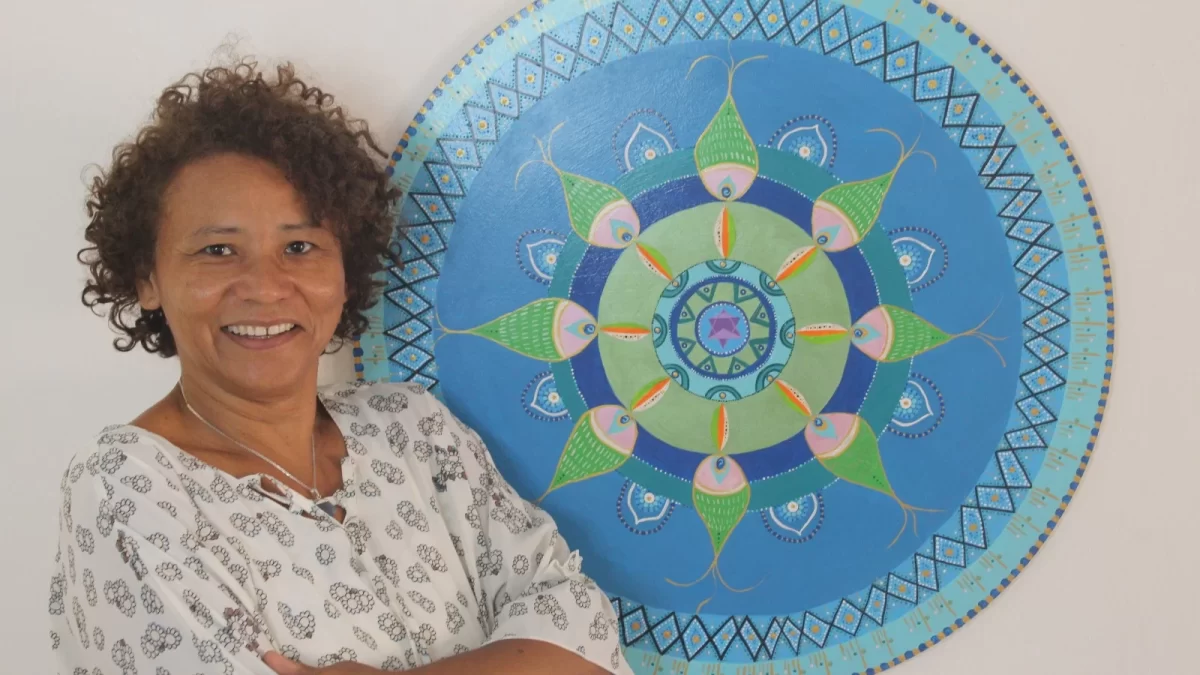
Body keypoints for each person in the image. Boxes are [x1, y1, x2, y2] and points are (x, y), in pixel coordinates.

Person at [49, 57, 632, 675]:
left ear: (345, 270)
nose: (265, 286)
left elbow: (583, 631)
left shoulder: (412, 429)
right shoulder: (128, 487)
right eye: (218, 250)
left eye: (299, 247)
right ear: (147, 277)